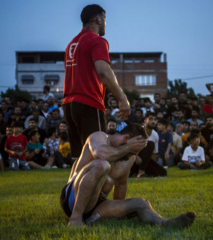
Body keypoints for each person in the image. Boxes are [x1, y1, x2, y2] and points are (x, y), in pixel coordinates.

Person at [59, 124, 195, 227]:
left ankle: (165, 223)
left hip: (97, 204)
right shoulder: (99, 137)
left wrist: (120, 210)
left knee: (141, 203)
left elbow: (121, 185)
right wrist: (128, 148)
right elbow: (101, 154)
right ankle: (75, 219)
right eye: (134, 151)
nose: (133, 156)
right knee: (101, 165)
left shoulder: (128, 157)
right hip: (73, 198)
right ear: (126, 139)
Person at [63, 4, 130, 160]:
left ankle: (73, 185)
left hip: (68, 104)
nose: (106, 23)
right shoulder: (97, 41)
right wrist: (122, 98)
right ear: (98, 19)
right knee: (98, 157)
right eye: (105, 19)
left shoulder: (71, 44)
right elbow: (103, 72)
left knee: (78, 158)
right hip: (88, 102)